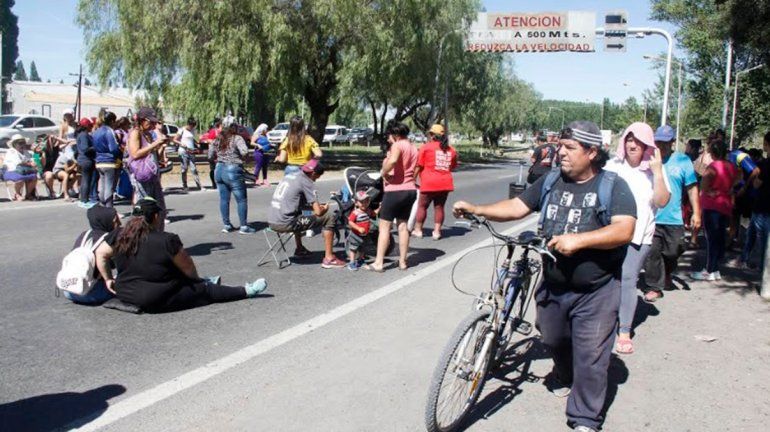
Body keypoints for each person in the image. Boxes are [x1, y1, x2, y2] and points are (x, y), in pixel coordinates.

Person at [453, 120, 637, 432]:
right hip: (554, 284)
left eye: (569, 148)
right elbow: (516, 206)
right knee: (552, 337)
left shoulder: (612, 185)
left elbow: (624, 229)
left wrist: (579, 240)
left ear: (592, 152)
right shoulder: (552, 180)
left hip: (597, 288)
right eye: (560, 146)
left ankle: (584, 420)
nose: (560, 153)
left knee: (591, 356)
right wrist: (478, 208)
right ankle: (564, 373)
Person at [94, 198, 267, 313]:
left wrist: (109, 279)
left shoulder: (119, 234)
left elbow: (100, 254)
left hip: (124, 293)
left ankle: (210, 282)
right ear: (155, 216)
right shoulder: (167, 239)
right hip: (154, 297)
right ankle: (246, 290)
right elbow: (188, 268)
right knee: (205, 290)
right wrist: (197, 281)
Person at [604, 122, 670, 355]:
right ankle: (603, 320)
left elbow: (662, 201)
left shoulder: (654, 172)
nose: (633, 144)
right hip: (610, 233)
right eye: (629, 139)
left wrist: (659, 172)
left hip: (639, 236)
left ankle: (624, 331)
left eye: (638, 141)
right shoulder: (612, 166)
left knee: (628, 278)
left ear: (647, 145)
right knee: (607, 278)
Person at [642, 126, 701, 302]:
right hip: (652, 216)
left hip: (674, 218)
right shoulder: (648, 159)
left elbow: (691, 188)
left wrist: (696, 213)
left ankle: (667, 271)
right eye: (658, 141)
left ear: (672, 142)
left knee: (675, 249)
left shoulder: (683, 161)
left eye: (665, 142)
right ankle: (654, 287)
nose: (661, 145)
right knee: (652, 252)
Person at [267, 159, 346, 268]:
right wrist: (324, 208)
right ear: (313, 173)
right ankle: (329, 258)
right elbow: (318, 213)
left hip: (272, 220)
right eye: (317, 176)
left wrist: (316, 206)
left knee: (298, 213)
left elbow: (299, 204)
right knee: (329, 217)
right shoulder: (306, 182)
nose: (316, 179)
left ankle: (299, 249)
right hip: (285, 223)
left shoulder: (290, 176)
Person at [369, 121, 418, 272]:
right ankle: (403, 262)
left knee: (385, 227)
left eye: (389, 136)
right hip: (410, 190)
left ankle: (378, 263)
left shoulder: (397, 145)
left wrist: (383, 172)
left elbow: (393, 161)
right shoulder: (413, 147)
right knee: (403, 226)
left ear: (395, 135)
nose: (388, 140)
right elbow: (415, 168)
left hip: (395, 190)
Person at [690, 140, 739, 281]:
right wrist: (729, 188)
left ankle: (709, 270)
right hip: (725, 205)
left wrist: (711, 192)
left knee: (711, 239)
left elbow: (703, 186)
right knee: (719, 238)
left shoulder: (712, 167)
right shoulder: (730, 166)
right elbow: (739, 176)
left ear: (712, 153)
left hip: (712, 206)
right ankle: (715, 268)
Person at [64, 206, 121, 305]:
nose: (119, 223)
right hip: (92, 294)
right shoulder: (109, 240)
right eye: (116, 220)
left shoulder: (84, 235)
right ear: (108, 221)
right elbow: (117, 265)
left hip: (70, 291)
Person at [208, 117, 255, 234]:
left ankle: (227, 225)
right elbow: (244, 152)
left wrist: (217, 158)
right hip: (233, 169)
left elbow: (210, 155)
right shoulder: (237, 138)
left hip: (218, 169)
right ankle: (243, 227)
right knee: (241, 199)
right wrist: (245, 159)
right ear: (233, 127)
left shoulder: (217, 139)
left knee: (224, 199)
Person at [412, 124, 458, 241]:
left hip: (429, 183)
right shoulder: (451, 150)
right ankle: (437, 232)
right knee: (439, 207)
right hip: (445, 183)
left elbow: (419, 165)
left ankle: (418, 230)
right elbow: (452, 166)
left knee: (422, 206)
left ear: (432, 135)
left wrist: (412, 179)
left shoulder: (426, 148)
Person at [127, 107, 167, 229]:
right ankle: (141, 239)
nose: (153, 125)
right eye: (151, 122)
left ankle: (158, 237)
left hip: (153, 176)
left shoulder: (148, 134)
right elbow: (135, 154)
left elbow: (154, 155)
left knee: (160, 209)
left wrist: (161, 147)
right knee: (145, 209)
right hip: (142, 176)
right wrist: (155, 144)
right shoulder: (135, 133)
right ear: (142, 120)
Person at [93, 111, 122, 207]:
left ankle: (102, 206)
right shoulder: (109, 131)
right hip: (109, 162)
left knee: (102, 186)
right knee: (109, 187)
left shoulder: (96, 131)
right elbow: (113, 148)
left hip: (99, 162)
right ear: (112, 121)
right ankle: (109, 208)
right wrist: (119, 153)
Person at [2, 134, 38, 200]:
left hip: (24, 170)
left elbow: (31, 159)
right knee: (20, 179)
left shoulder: (26, 152)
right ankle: (17, 194)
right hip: (11, 171)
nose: (22, 145)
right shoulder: (11, 151)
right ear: (15, 144)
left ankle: (28, 194)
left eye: (23, 143)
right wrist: (30, 163)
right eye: (20, 143)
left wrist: (34, 162)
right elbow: (18, 162)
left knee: (34, 178)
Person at [346, 191, 376, 271]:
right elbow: (350, 222)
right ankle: (352, 262)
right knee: (353, 248)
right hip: (356, 234)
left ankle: (361, 260)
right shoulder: (355, 213)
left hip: (365, 234)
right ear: (356, 203)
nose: (364, 203)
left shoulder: (368, 210)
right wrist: (358, 228)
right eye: (361, 202)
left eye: (366, 201)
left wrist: (379, 208)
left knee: (363, 247)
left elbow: (374, 214)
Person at [173, 117, 202, 192]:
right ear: (188, 124)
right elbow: (174, 139)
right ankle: (185, 185)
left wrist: (196, 143)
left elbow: (192, 139)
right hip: (183, 151)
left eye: (193, 126)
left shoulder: (192, 131)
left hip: (191, 151)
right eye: (191, 126)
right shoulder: (181, 130)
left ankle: (199, 185)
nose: (192, 127)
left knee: (193, 168)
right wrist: (181, 144)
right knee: (184, 168)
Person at [75, 117, 98, 208]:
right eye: (90, 125)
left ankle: (84, 199)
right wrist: (95, 147)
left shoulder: (81, 134)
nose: (91, 127)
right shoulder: (84, 135)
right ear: (87, 126)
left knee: (86, 180)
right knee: (86, 181)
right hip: (86, 160)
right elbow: (85, 148)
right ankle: (84, 200)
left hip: (84, 160)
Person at [200, 118, 222, 189]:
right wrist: (216, 143)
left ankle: (220, 183)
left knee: (220, 168)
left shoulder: (223, 132)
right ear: (220, 124)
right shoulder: (214, 131)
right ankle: (214, 183)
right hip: (214, 154)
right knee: (214, 168)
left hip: (221, 153)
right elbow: (209, 140)